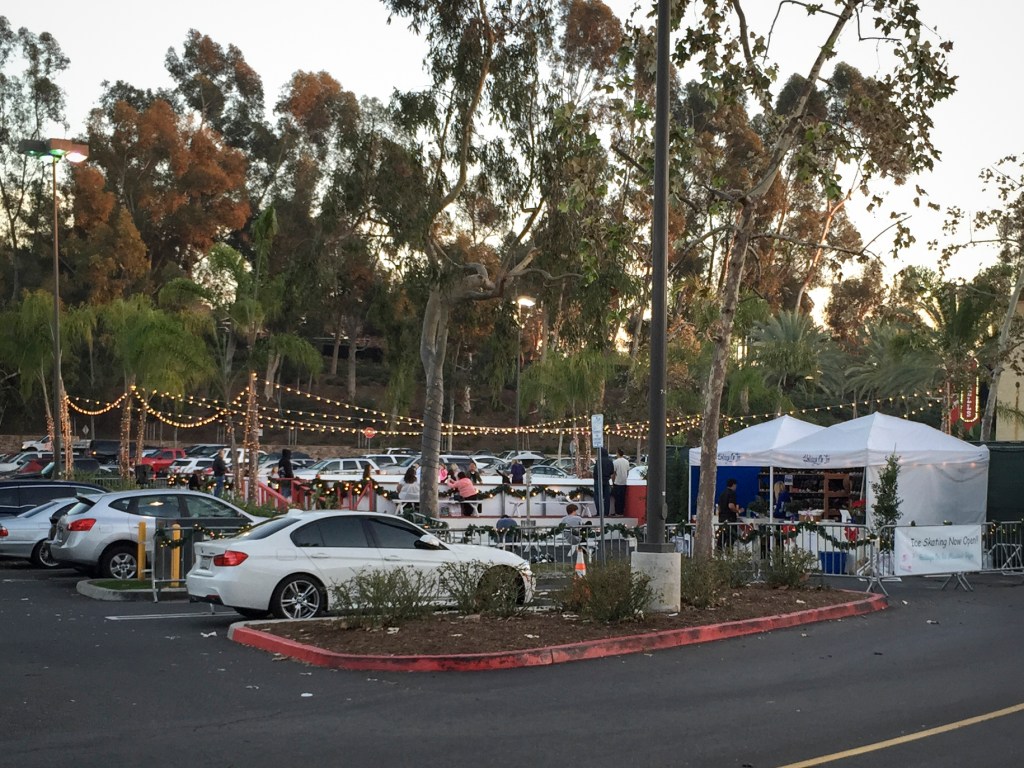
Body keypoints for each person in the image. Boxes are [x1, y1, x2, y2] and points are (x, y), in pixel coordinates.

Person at [717, 478, 743, 547]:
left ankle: (719, 553)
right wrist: (738, 511)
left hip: (722, 519)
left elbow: (719, 507)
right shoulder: (732, 493)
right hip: (730, 519)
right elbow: (731, 506)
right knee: (731, 537)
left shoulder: (722, 493)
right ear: (733, 485)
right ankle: (729, 553)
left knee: (721, 537)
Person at [592, 447, 613, 517]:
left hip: (598, 480)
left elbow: (595, 471)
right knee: (607, 497)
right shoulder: (610, 461)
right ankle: (606, 512)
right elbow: (612, 471)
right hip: (607, 480)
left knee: (597, 496)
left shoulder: (599, 461)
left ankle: (599, 512)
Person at [611, 448, 630, 517]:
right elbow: (628, 472)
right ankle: (621, 512)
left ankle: (617, 512)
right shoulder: (627, 462)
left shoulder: (615, 462)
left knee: (617, 498)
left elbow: (613, 473)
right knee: (622, 498)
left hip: (617, 482)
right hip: (624, 482)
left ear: (618, 453)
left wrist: (613, 481)